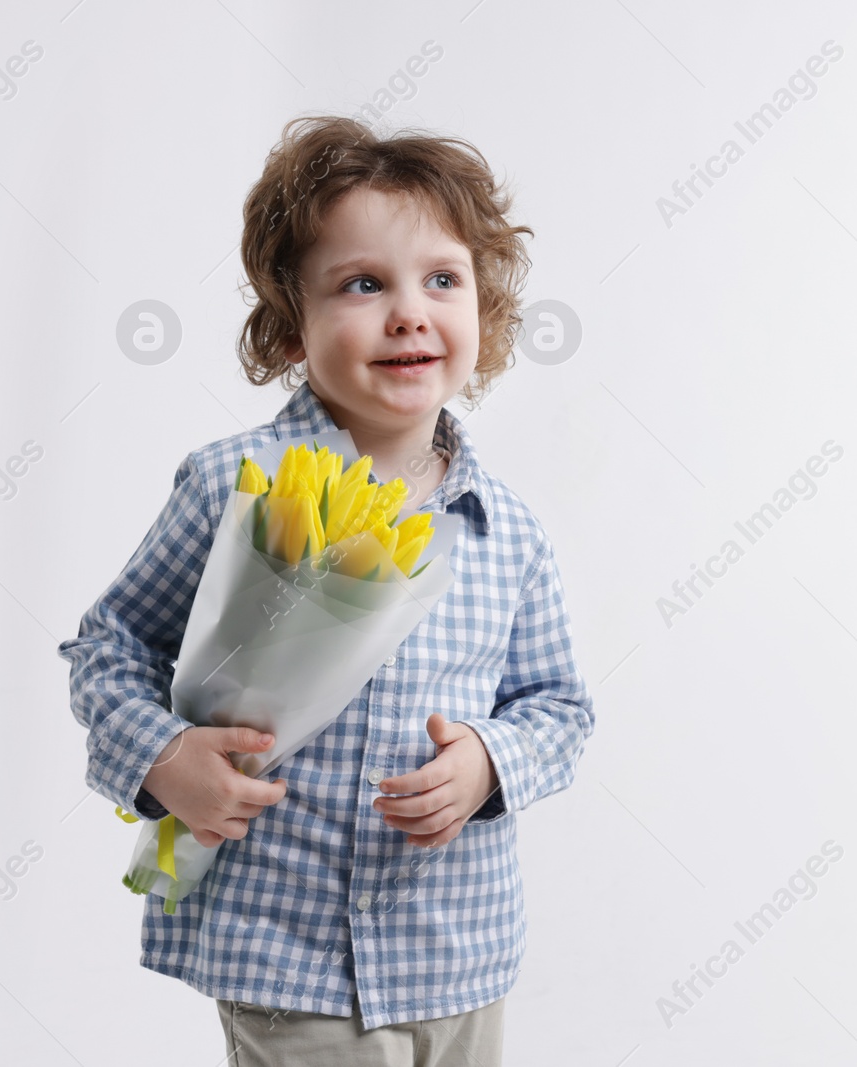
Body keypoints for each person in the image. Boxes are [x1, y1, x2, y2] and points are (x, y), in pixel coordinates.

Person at [56, 114, 595, 1066]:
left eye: (442, 279)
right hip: (282, 949)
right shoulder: (236, 485)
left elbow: (558, 705)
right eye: (362, 283)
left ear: (485, 310)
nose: (409, 313)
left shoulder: (504, 528)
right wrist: (164, 756)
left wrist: (489, 762)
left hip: (456, 950)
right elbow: (108, 647)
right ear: (289, 322)